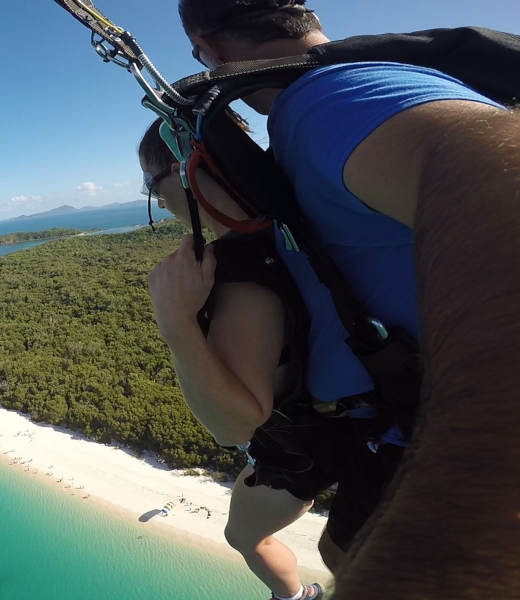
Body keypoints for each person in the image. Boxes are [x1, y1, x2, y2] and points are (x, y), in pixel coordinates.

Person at [176, 1, 520, 597]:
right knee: (341, 549)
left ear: (209, 50)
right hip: (389, 429)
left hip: (437, 448)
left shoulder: (328, 100)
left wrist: (470, 499)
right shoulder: (324, 109)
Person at [141, 117, 404, 600]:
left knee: (246, 535)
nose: (157, 201)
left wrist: (176, 324)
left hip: (306, 444)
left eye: (152, 184)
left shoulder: (239, 268)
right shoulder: (305, 215)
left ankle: (296, 598)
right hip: (380, 406)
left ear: (185, 175)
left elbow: (235, 424)